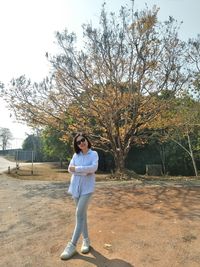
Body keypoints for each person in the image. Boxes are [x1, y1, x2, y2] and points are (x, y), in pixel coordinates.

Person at [60, 133, 99, 260]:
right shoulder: (75, 155)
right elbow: (69, 169)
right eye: (78, 142)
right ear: (76, 145)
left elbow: (93, 168)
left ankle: (72, 245)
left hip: (87, 189)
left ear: (87, 140)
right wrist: (83, 171)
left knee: (79, 214)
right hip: (75, 188)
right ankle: (86, 240)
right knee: (82, 215)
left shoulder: (94, 154)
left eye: (83, 140)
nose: (81, 143)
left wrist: (77, 170)